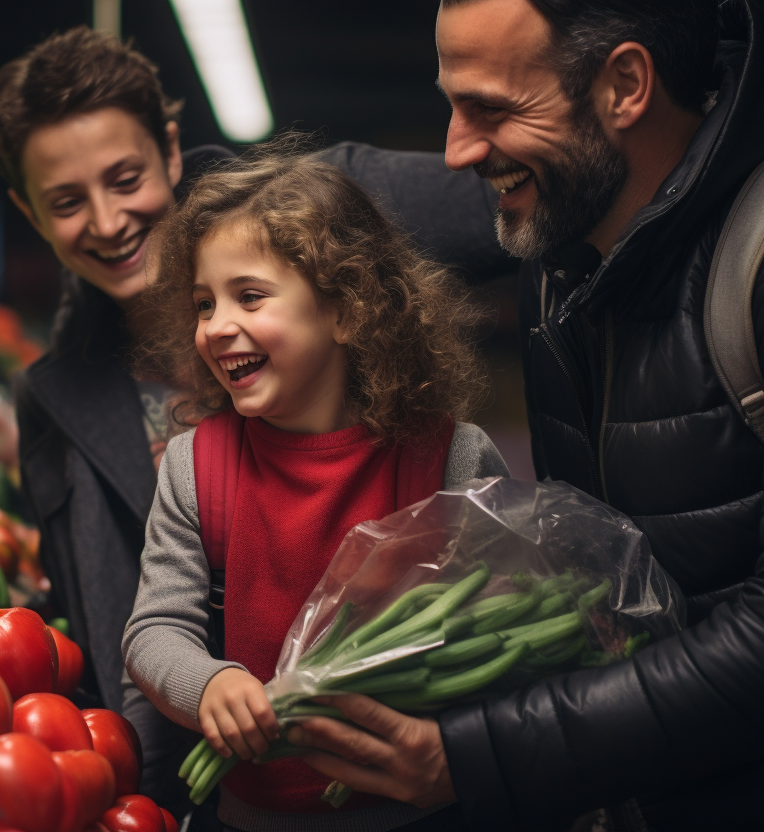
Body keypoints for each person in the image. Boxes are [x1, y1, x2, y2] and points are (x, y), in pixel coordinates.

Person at [289, 0, 764, 829]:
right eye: (452, 103)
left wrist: (481, 757)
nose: (456, 149)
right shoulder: (560, 266)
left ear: (625, 86)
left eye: (494, 109)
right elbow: (615, 586)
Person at [0, 25, 510, 805]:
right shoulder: (64, 402)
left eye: (125, 177)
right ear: (30, 213)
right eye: (65, 202)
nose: (106, 220)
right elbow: (133, 627)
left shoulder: (313, 210)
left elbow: (531, 189)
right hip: (220, 787)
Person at [121, 148, 509, 832]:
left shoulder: (452, 458)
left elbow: (500, 634)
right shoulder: (194, 466)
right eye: (203, 304)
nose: (214, 326)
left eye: (249, 295)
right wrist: (208, 681)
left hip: (423, 816)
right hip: (250, 818)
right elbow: (155, 629)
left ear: (346, 311)